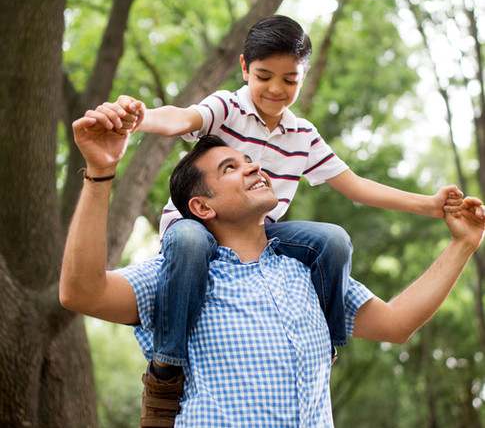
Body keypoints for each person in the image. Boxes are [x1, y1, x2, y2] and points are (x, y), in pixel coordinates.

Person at [96, 14, 464, 424]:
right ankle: (167, 366)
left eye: (290, 80)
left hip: (263, 235)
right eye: (264, 76)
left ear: (303, 77)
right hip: (196, 229)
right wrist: (139, 119)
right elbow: (182, 118)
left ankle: (324, 345)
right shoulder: (228, 106)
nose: (275, 89)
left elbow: (356, 186)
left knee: (334, 240)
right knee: (189, 244)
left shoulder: (303, 135)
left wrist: (429, 205)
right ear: (244, 69)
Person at [60, 116, 485, 427]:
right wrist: (100, 171)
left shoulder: (309, 271)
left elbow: (396, 324)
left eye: (249, 160)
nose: (253, 167)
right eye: (230, 168)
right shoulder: (177, 276)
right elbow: (80, 292)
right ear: (202, 207)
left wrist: (463, 244)